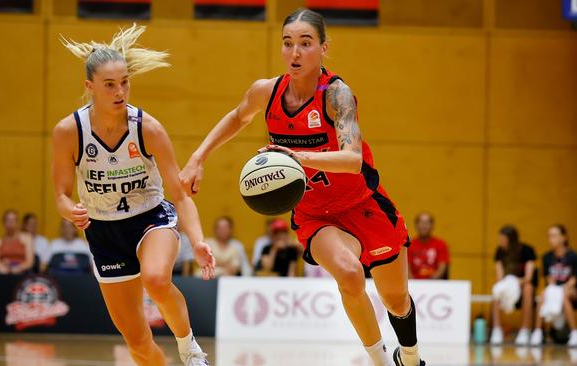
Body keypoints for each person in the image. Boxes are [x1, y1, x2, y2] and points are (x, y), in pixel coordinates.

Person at [179, 9, 424, 366]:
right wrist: (198, 157)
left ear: (323, 48)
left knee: (397, 299)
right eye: (288, 43)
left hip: (363, 201)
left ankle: (412, 356)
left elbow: (353, 158)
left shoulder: (337, 94)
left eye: (305, 44)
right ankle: (381, 361)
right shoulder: (267, 92)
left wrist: (295, 156)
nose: (295, 52)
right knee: (349, 273)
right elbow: (237, 117)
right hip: (315, 213)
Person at [53, 24, 215, 366]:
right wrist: (70, 211)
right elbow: (61, 195)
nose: (119, 90)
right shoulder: (69, 132)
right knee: (138, 343)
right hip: (103, 231)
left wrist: (198, 241)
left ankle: (189, 349)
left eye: (124, 81)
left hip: (150, 218)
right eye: (110, 84)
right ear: (90, 87)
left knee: (157, 280)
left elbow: (181, 194)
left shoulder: (148, 128)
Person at [530, 224, 577, 346]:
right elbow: (549, 279)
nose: (551, 239)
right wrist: (553, 290)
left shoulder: (573, 256)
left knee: (565, 296)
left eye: (554, 235)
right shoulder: (547, 257)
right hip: (554, 289)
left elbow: (574, 279)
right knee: (542, 296)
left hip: (570, 290)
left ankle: (574, 333)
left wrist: (563, 289)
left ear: (564, 237)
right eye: (549, 236)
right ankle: (538, 332)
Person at [490, 225, 537, 345]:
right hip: (507, 285)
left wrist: (515, 282)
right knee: (496, 289)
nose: (500, 242)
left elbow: (529, 277)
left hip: (522, 285)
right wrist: (508, 284)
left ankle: (525, 330)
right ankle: (497, 329)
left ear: (511, 239)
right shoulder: (499, 252)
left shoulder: (527, 250)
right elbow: (499, 276)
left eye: (503, 239)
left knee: (528, 288)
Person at [0, 209, 35, 275]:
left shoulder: (26, 238)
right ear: (3, 223)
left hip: (21, 273)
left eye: (13, 220)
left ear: (17, 222)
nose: (11, 223)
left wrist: (18, 268)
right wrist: (1, 267)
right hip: (3, 273)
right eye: (8, 220)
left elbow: (30, 262)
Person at [407, 212, 450, 279]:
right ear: (416, 225)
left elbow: (442, 268)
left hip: (435, 284)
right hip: (413, 285)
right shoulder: (409, 245)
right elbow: (406, 269)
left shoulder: (441, 244)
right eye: (421, 223)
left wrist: (429, 284)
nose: (424, 226)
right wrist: (414, 284)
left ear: (432, 225)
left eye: (427, 223)